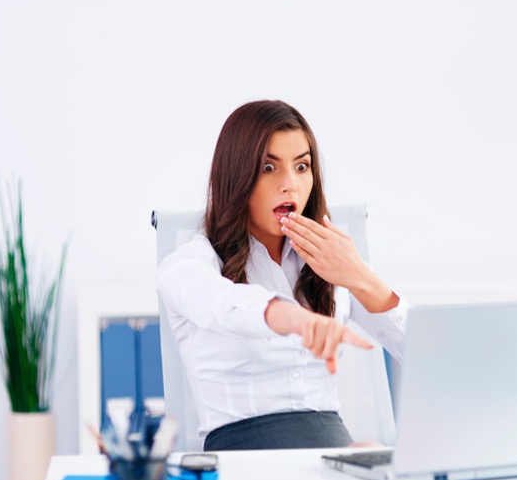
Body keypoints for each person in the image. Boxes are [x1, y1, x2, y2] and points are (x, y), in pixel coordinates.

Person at [157, 100, 409, 451]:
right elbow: (224, 304)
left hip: (330, 459)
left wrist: (358, 277)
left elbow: (421, 351)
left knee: (374, 456)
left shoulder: (330, 261)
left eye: (302, 166)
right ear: (237, 175)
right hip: (244, 466)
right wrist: (294, 318)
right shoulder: (188, 264)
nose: (290, 184)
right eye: (269, 167)